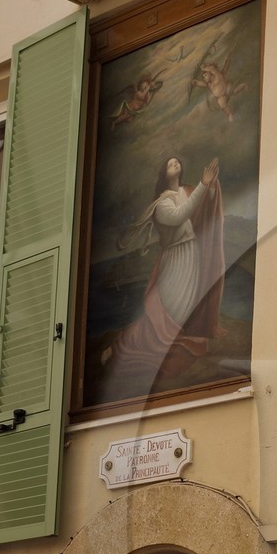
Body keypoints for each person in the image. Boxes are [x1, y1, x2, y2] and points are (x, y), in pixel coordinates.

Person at [105, 155, 227, 391]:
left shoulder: (187, 190)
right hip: (175, 258)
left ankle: (169, 340)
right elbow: (179, 216)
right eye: (169, 163)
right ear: (164, 173)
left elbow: (205, 206)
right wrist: (203, 185)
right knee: (169, 306)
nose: (175, 164)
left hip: (191, 255)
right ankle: (124, 345)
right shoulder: (161, 204)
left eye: (177, 162)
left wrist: (211, 186)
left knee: (185, 307)